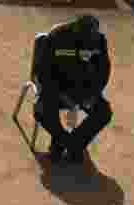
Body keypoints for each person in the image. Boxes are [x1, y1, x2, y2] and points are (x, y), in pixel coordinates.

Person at [34, 15, 113, 163]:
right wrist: (61, 95)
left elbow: (103, 71)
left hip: (82, 90)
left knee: (103, 112)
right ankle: (67, 142)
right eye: (86, 39)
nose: (90, 43)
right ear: (76, 30)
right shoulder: (57, 36)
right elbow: (43, 72)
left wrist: (92, 94)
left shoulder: (99, 40)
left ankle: (74, 143)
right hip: (56, 88)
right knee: (42, 111)